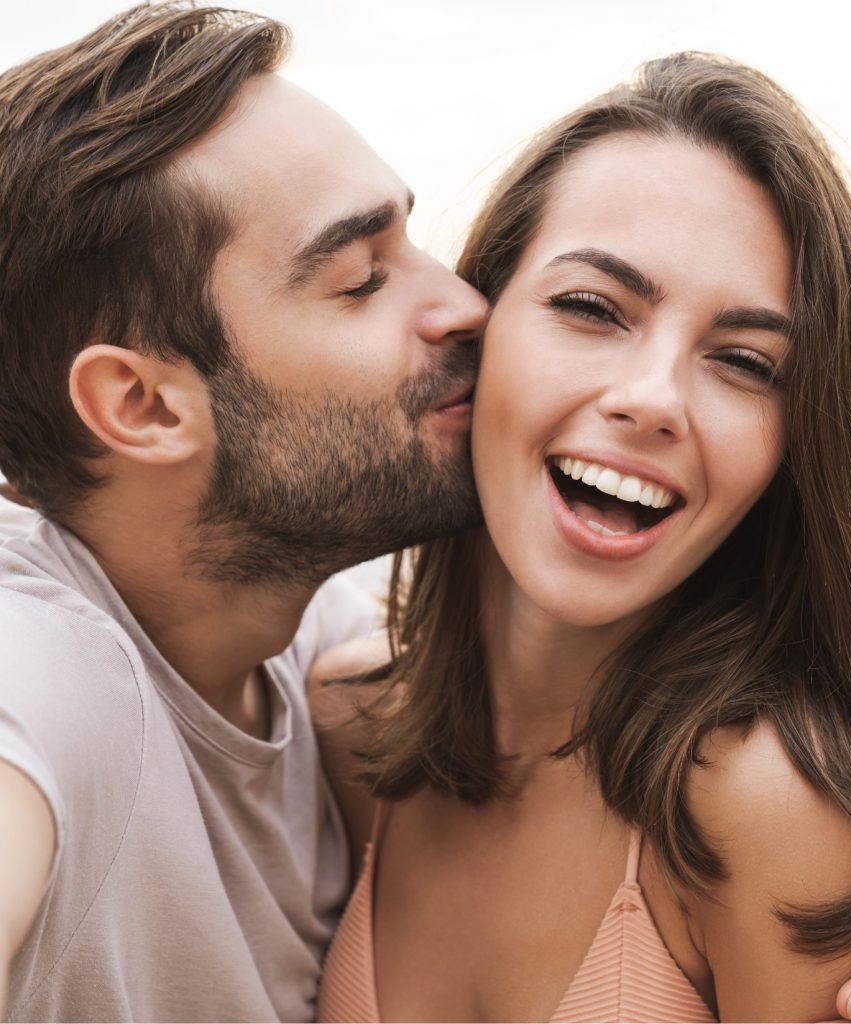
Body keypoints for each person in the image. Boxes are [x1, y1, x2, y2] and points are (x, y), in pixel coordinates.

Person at [314, 53, 851, 1023]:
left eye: (742, 361)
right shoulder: (347, 730)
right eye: (589, 308)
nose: (650, 399)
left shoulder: (763, 804)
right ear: (475, 324)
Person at [0, 3, 489, 1021]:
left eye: (413, 242)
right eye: (359, 281)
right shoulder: (44, 676)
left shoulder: (300, 634)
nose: (463, 304)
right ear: (143, 404)